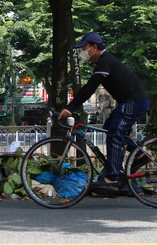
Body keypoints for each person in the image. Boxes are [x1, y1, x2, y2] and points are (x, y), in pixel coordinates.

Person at [58, 32, 151, 193]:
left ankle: (112, 178)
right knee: (110, 126)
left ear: (94, 47)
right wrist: (71, 106)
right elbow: (90, 86)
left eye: (84, 48)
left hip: (134, 102)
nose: (83, 52)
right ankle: (139, 156)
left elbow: (91, 86)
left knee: (114, 135)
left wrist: (70, 107)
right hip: (130, 102)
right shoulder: (103, 62)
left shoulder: (105, 61)